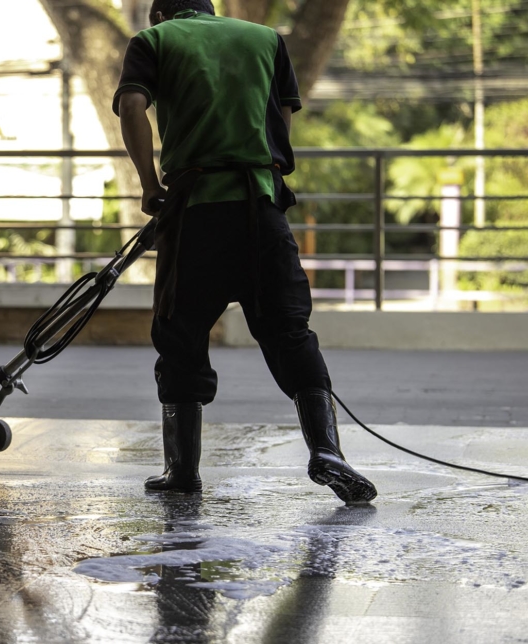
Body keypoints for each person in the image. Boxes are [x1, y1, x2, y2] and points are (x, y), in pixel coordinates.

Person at [114, 0, 377, 504]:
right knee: (290, 332)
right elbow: (281, 115)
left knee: (181, 335)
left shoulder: (155, 41)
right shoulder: (266, 39)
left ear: (163, 14)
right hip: (261, 207)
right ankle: (327, 450)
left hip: (195, 210)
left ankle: (182, 472)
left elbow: (131, 106)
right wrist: (268, 173)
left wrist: (149, 184)